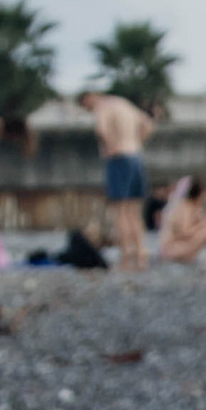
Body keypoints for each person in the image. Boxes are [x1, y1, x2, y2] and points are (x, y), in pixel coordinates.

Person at [79, 87, 152, 273]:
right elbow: (148, 124)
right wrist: (136, 142)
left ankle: (126, 256)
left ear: (90, 98)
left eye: (86, 106)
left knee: (120, 210)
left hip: (119, 158)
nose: (88, 109)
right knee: (134, 210)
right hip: (136, 156)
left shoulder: (102, 107)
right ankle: (141, 253)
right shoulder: (122, 102)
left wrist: (111, 147)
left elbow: (101, 130)